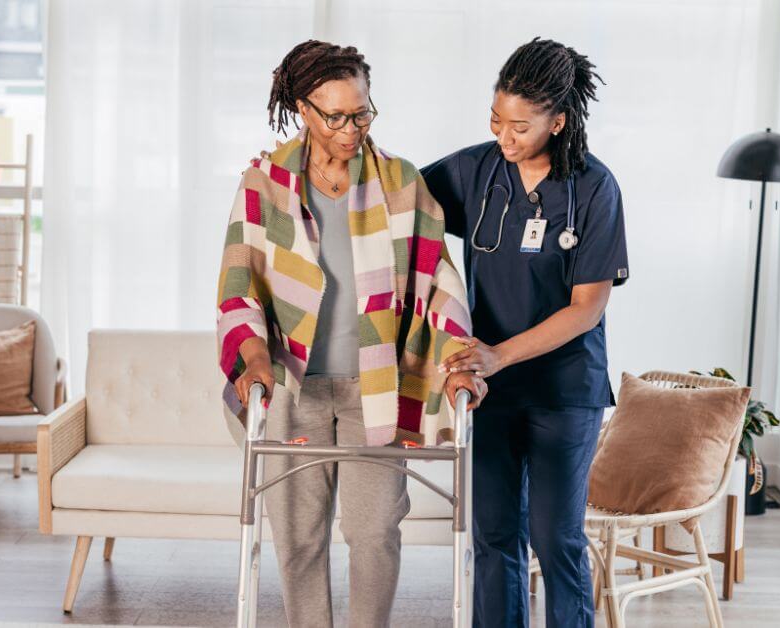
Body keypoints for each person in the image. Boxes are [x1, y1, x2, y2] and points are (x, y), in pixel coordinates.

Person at [217, 40, 486, 627]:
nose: (350, 128)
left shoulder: (401, 183)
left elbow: (440, 280)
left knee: (374, 536)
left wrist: (459, 358)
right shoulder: (263, 184)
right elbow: (239, 284)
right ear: (302, 109)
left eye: (361, 113)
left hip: (376, 388)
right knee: (297, 538)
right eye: (334, 115)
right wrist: (252, 353)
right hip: (293, 388)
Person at [420, 37, 630, 628]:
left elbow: (586, 308)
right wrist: (295, 167)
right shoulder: (476, 170)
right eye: (495, 121)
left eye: (520, 127)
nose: (504, 138)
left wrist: (497, 356)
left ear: (558, 122)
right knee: (493, 539)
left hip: (564, 391)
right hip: (489, 392)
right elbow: (392, 197)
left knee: (555, 539)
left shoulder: (594, 188)